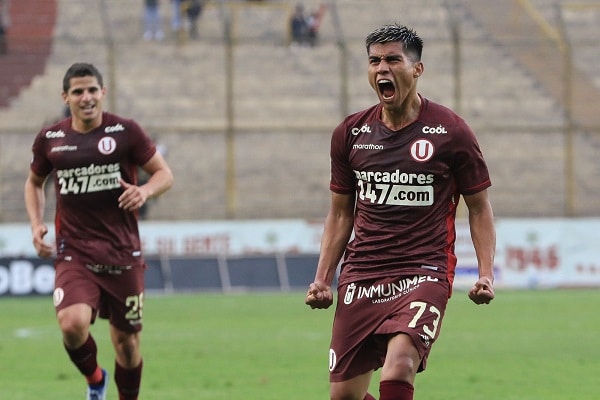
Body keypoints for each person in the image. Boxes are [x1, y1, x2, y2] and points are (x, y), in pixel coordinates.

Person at [305, 24, 495, 400]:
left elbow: (479, 208)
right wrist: (323, 279)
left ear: (417, 69)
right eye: (374, 61)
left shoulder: (452, 132)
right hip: (363, 273)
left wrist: (485, 273)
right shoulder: (350, 133)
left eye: (393, 59)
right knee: (343, 396)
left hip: (424, 270)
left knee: (401, 363)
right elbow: (341, 214)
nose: (382, 68)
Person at [24, 63, 173, 400]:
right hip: (75, 252)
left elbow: (164, 174)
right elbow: (34, 183)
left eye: (92, 90)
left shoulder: (126, 132)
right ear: (66, 97)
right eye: (78, 91)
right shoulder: (51, 139)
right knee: (72, 324)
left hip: (122, 254)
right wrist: (36, 223)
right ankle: (95, 379)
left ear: (103, 92)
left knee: (127, 345)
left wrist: (145, 191)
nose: (86, 97)